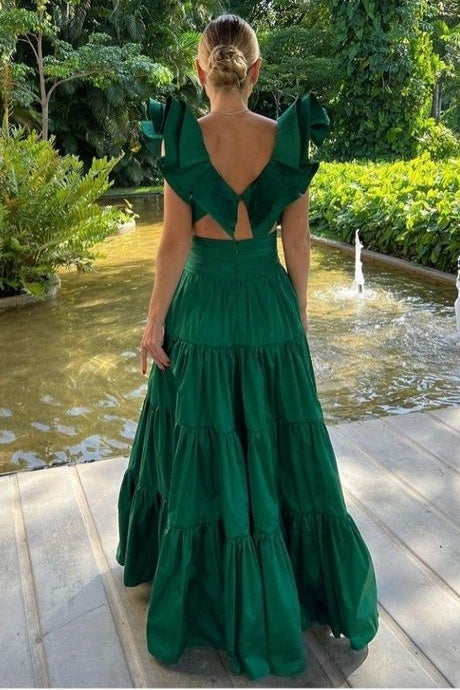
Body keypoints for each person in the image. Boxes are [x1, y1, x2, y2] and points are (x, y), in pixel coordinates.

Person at [115, 12, 379, 681]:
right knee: (277, 438)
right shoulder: (286, 141)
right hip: (266, 308)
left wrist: (153, 324)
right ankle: (293, 583)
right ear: (255, 71)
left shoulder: (183, 139)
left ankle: (199, 589)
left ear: (200, 70)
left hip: (202, 311)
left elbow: (173, 244)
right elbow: (298, 244)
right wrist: (297, 321)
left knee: (198, 438)